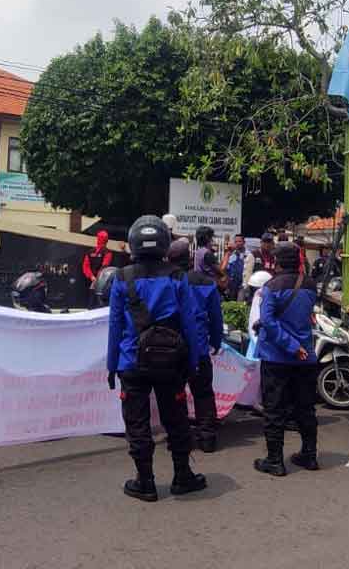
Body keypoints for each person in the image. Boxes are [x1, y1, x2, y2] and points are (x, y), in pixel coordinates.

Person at [107, 215, 207, 502]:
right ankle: (182, 476)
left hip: (131, 363)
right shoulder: (177, 277)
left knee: (137, 424)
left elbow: (115, 327)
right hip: (171, 364)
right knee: (175, 420)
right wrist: (194, 362)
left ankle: (145, 482)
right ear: (164, 242)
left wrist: (112, 366)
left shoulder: (121, 277)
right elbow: (190, 322)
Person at [253, 242, 320, 476]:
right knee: (305, 408)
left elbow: (269, 322)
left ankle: (275, 461)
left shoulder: (271, 286)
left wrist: (291, 346)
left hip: (277, 356)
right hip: (305, 358)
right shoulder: (311, 286)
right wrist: (298, 347)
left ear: (277, 262)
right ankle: (309, 456)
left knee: (274, 409)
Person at [166, 239, 224, 453]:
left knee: (174, 395)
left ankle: (178, 440)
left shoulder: (164, 281)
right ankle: (207, 438)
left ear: (168, 259)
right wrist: (216, 342)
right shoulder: (207, 282)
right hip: (199, 348)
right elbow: (216, 318)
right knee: (203, 394)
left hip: (171, 349)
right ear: (190, 258)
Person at [220, 234, 247, 300]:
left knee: (240, 304)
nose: (237, 243)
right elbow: (222, 268)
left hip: (242, 285)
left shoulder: (248, 254)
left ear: (244, 242)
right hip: (231, 285)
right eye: (236, 242)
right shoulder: (230, 254)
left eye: (239, 241)